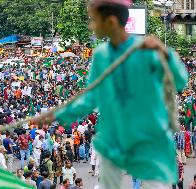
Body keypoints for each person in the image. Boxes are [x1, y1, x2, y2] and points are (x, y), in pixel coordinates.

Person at [39, 0, 188, 188]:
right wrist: (55, 115)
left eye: (94, 20)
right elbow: (91, 97)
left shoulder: (147, 50)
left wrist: (164, 52)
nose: (91, 26)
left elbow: (181, 81)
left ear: (110, 22)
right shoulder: (102, 55)